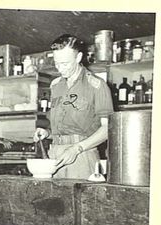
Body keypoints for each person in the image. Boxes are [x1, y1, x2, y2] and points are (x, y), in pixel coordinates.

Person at [33, 34, 113, 179]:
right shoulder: (55, 85)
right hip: (54, 157)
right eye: (57, 63)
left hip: (81, 156)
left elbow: (107, 129)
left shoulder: (96, 85)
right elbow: (65, 127)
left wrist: (76, 149)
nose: (60, 69)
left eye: (65, 63)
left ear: (78, 57)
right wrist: (48, 133)